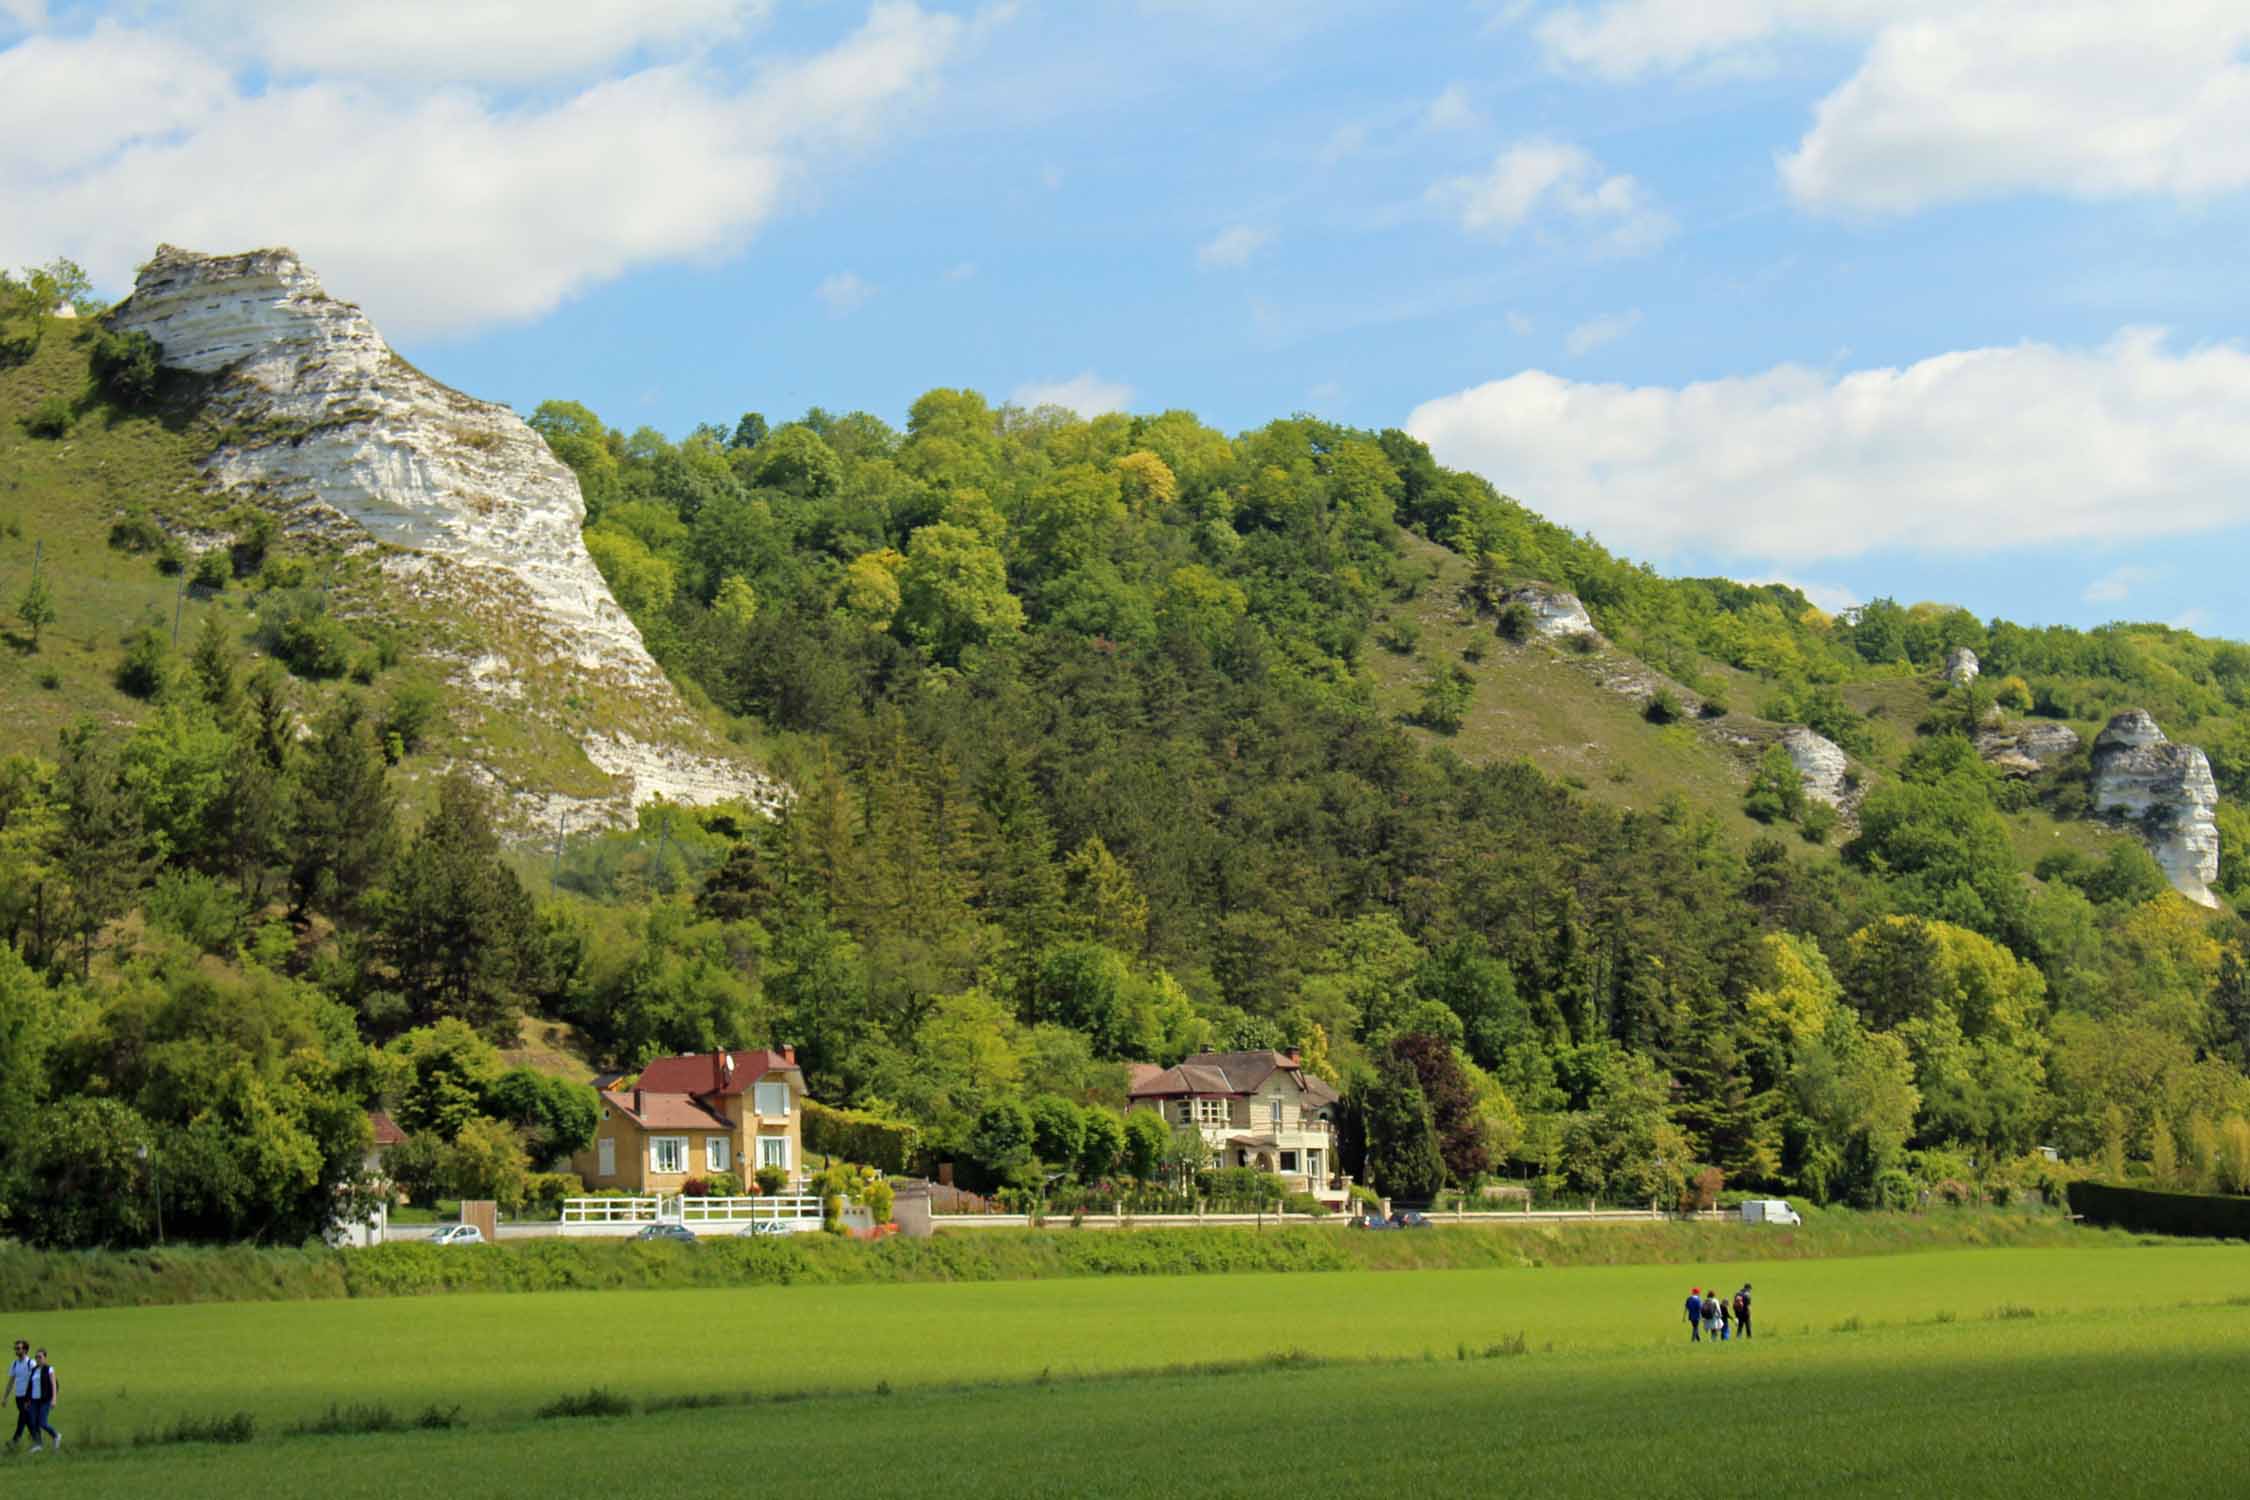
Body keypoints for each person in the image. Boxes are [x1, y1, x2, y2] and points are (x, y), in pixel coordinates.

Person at [22, 1350, 56, 1454]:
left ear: (45, 1358)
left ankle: (56, 1436)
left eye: (40, 1357)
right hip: (34, 1401)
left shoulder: (49, 1369)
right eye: (36, 1357)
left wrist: (54, 1399)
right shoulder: (34, 1370)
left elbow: (53, 1384)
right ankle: (39, 1444)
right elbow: (30, 1386)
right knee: (33, 1422)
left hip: (45, 1400)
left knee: (42, 1423)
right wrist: (27, 1399)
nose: (38, 1359)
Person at [7, 1341, 31, 1452]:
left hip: (28, 1397)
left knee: (22, 1417)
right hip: (18, 1396)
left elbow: (36, 1380)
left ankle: (15, 1440)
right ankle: (37, 1440)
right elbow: (11, 1381)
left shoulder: (31, 1363)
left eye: (18, 1348)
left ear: (25, 1350)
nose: (16, 1350)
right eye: (15, 1348)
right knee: (27, 1419)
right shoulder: (14, 1364)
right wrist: (5, 1397)